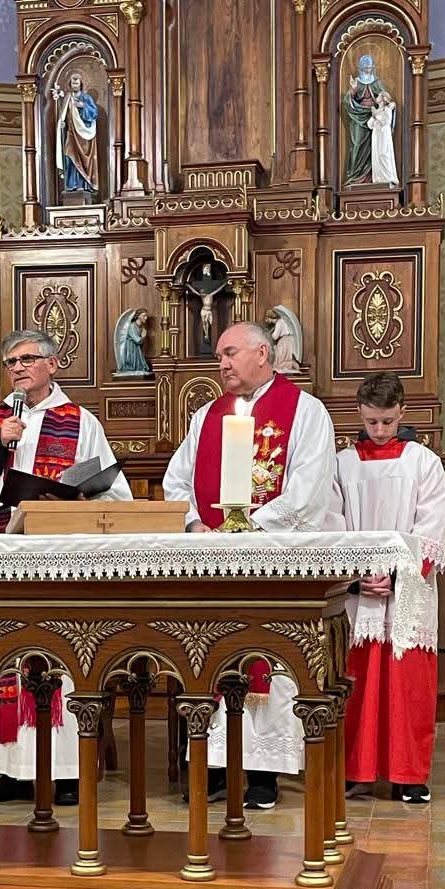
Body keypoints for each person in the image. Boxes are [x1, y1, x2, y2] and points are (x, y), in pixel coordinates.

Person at [0, 329, 133, 806]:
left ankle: (67, 771)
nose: (18, 368)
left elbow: (114, 492)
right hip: (5, 553)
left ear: (53, 364)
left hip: (61, 556)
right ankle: (15, 769)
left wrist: (80, 498)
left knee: (63, 655)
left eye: (28, 359)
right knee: (8, 656)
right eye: (11, 362)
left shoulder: (80, 421)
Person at [163, 322, 336, 809]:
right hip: (209, 562)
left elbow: (308, 489)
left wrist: (249, 529)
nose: (221, 364)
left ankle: (263, 772)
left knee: (269, 661)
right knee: (211, 656)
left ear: (263, 353)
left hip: (270, 561)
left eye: (230, 353)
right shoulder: (207, 416)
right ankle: (215, 766)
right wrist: (196, 525)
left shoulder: (305, 411)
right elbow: (177, 481)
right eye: (219, 355)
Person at [336, 373, 445, 803]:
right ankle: (357, 770)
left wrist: (397, 575)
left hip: (407, 592)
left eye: (387, 421)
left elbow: (430, 528)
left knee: (408, 684)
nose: (379, 430)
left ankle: (409, 774)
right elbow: (332, 525)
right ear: (360, 414)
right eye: (371, 422)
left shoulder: (424, 463)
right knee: (358, 683)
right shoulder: (343, 464)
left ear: (402, 412)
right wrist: (357, 577)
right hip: (361, 591)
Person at [344, 53, 387, 186]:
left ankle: (373, 176)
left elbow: (385, 98)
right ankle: (355, 176)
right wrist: (352, 91)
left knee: (374, 146)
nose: (368, 69)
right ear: (361, 67)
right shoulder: (357, 82)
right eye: (366, 67)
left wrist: (387, 105)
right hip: (358, 116)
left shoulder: (376, 82)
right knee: (357, 144)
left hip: (374, 117)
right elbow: (347, 101)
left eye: (370, 67)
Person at [54, 72, 98, 195]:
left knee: (83, 159)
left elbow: (94, 114)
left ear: (81, 84)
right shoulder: (68, 98)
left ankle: (83, 184)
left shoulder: (86, 98)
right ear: (70, 84)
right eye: (73, 83)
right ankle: (71, 184)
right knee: (69, 156)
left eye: (77, 83)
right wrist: (62, 123)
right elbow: (63, 115)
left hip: (83, 135)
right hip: (71, 133)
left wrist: (83, 106)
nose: (75, 85)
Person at [369, 91, 399, 187]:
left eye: (378, 96)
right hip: (376, 135)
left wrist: (376, 115)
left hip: (384, 134)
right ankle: (378, 178)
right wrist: (373, 116)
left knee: (383, 154)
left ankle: (388, 177)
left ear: (383, 98)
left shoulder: (387, 109)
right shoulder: (377, 110)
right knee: (376, 156)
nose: (376, 97)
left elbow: (386, 121)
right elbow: (369, 125)